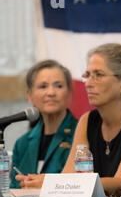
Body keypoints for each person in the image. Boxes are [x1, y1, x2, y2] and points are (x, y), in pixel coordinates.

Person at [16, 43, 121, 197]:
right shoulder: (87, 120)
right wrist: (43, 181)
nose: (88, 83)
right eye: (87, 75)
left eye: (99, 75)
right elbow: (69, 174)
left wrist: (50, 182)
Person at [10, 60, 78, 188]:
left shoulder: (83, 133)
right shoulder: (22, 144)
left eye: (58, 86)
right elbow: (13, 189)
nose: (51, 92)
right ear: (30, 95)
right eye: (43, 86)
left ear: (69, 93)